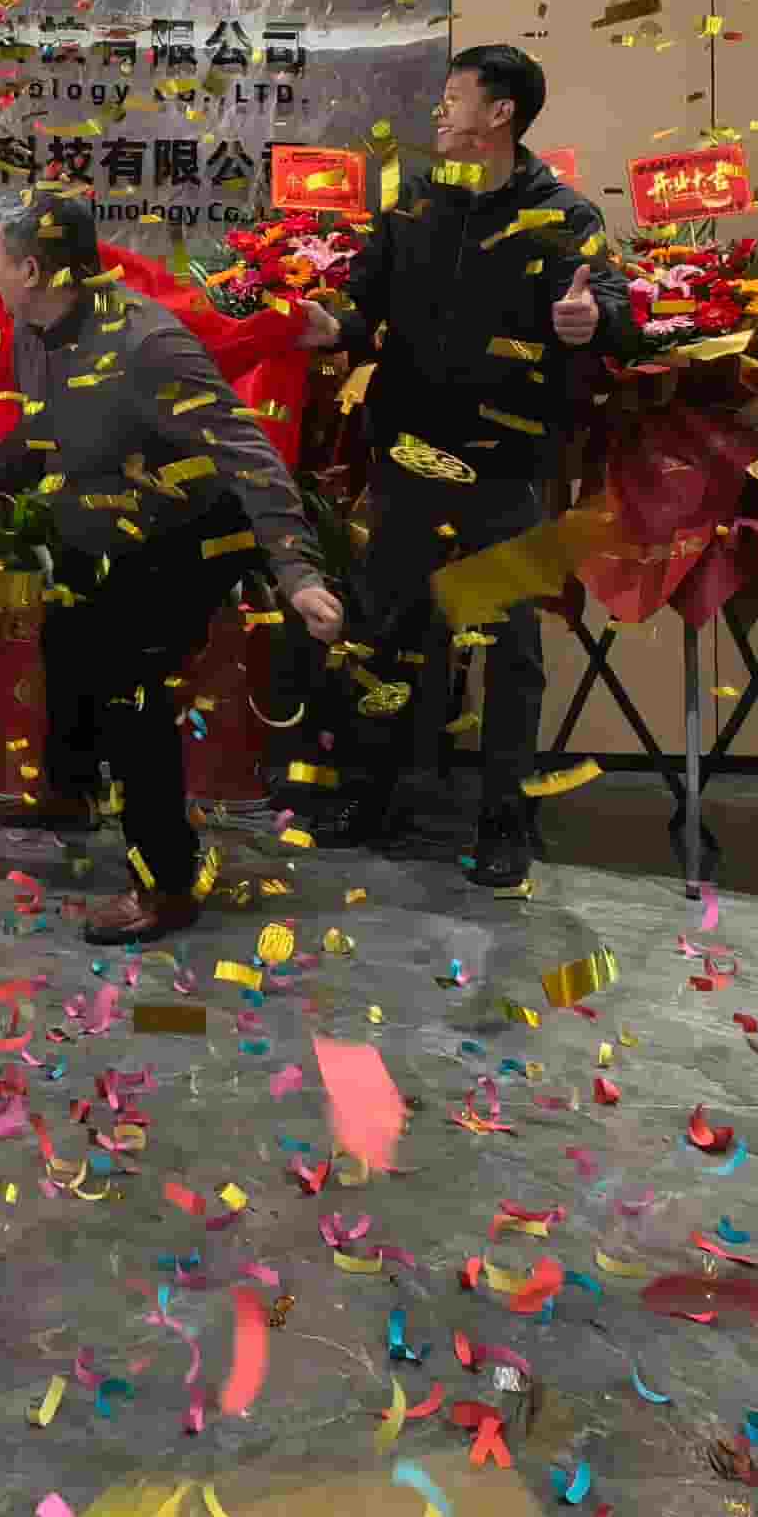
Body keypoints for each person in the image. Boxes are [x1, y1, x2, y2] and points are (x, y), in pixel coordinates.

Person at [0, 190, 344, 942]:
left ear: (30, 269)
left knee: (126, 686)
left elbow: (249, 455)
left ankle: (166, 881)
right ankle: (72, 794)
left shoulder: (146, 345)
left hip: (187, 531)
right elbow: (44, 432)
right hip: (104, 521)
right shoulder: (34, 329)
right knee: (66, 635)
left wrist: (297, 572)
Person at [300, 44, 622, 891]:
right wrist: (331, 327)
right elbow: (365, 304)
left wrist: (589, 319)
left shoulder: (564, 215)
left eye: (454, 97)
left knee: (508, 642)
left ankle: (504, 820)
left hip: (503, 465)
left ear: (501, 112)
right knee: (385, 627)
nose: (439, 112)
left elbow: (611, 304)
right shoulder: (414, 202)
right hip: (409, 453)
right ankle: (368, 794)